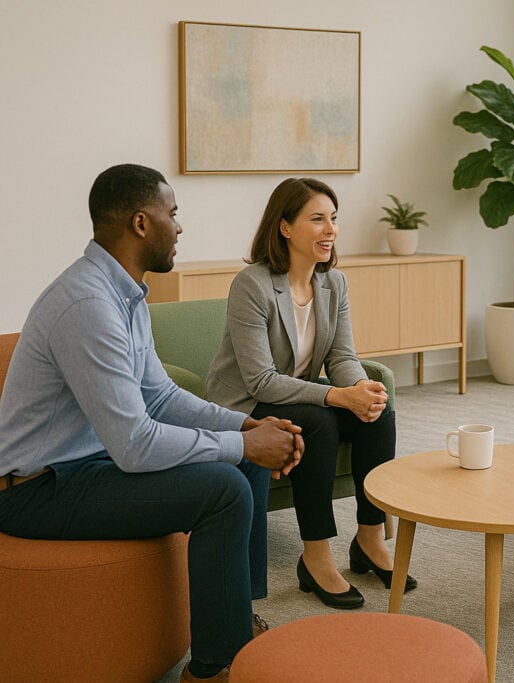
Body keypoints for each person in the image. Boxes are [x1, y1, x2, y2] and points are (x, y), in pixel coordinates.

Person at [0, 164, 302, 683]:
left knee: (240, 461)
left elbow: (159, 395)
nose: (180, 227)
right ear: (142, 223)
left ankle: (233, 624)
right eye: (173, 213)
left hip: (89, 464)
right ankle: (214, 671)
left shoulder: (125, 293)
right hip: (35, 489)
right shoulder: (88, 304)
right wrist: (239, 447)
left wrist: (246, 428)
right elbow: (136, 445)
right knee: (225, 485)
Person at [206, 177, 413, 611]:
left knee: (379, 411)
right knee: (318, 420)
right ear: (284, 227)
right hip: (245, 402)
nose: (330, 229)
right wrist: (337, 398)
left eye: (333, 219)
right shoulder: (253, 284)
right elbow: (261, 379)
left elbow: (341, 357)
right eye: (317, 219)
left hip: (296, 392)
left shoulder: (332, 283)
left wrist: (359, 388)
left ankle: (370, 538)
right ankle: (315, 556)